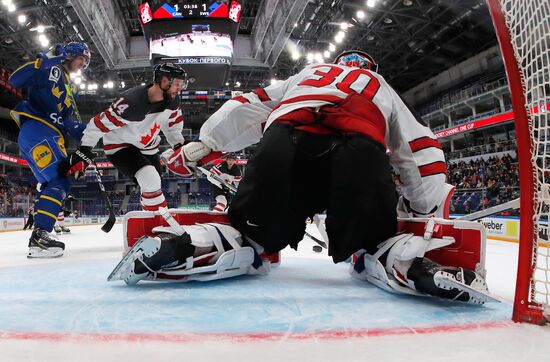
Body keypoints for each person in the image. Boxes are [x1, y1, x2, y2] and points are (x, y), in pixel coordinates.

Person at [109, 50, 490, 303]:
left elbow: (246, 105)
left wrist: (207, 144)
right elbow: (419, 149)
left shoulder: (307, 74)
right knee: (371, 241)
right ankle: (413, 266)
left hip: (283, 143)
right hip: (357, 148)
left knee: (251, 235)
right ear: (369, 69)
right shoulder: (379, 87)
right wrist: (422, 208)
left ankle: (188, 244)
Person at [60, 63, 193, 212]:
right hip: (120, 146)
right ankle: (158, 222)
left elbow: (172, 125)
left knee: (153, 185)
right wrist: (84, 149)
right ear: (163, 81)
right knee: (150, 178)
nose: (180, 88)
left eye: (182, 84)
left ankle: (150, 220)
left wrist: (178, 146)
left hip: (148, 147)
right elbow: (97, 124)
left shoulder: (173, 100)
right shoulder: (131, 102)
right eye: (177, 84)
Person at [9, 42, 91, 258]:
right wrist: (40, 63)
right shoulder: (50, 68)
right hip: (39, 129)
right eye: (81, 59)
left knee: (50, 184)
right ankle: (39, 238)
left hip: (45, 134)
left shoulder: (71, 88)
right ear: (70, 55)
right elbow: (14, 80)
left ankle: (41, 234)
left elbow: (70, 123)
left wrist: (92, 138)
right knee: (59, 181)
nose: (82, 65)